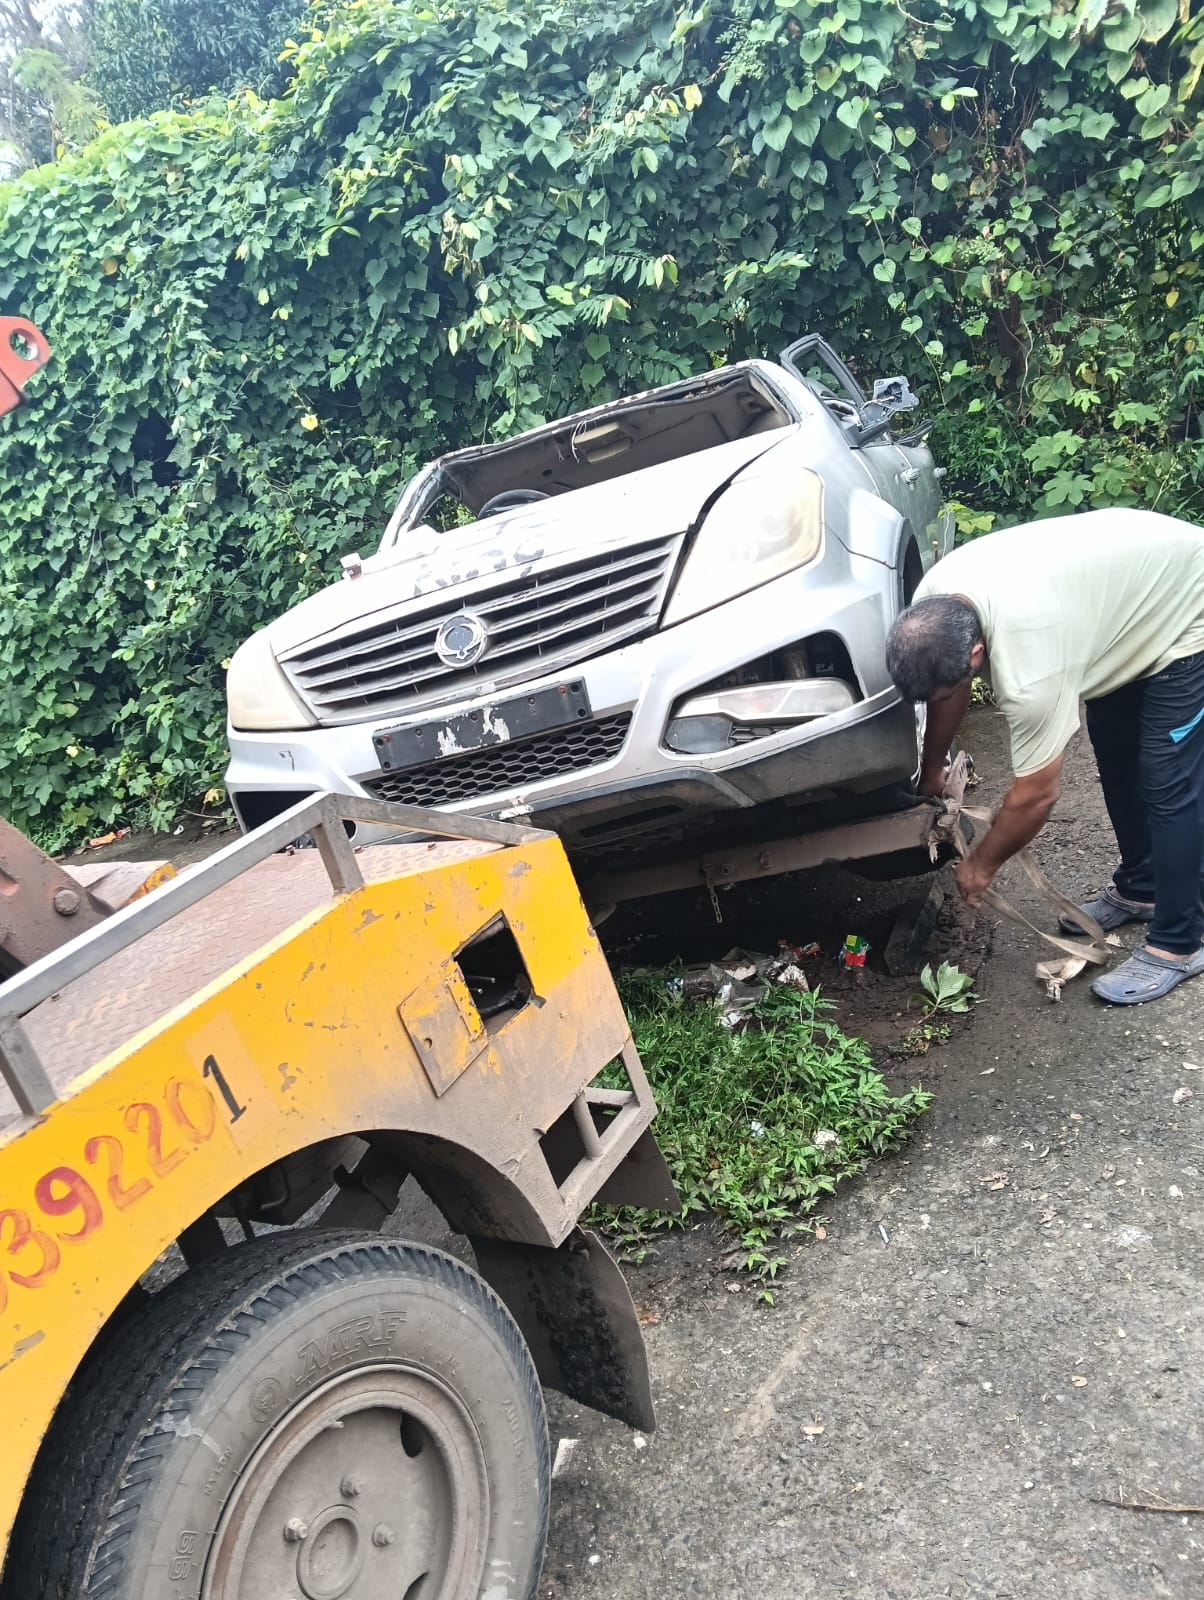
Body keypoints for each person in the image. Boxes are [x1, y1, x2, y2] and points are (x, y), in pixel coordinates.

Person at [885, 508, 1204, 1006]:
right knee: (1117, 756)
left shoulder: (1030, 668)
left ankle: (1180, 943)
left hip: (1185, 602)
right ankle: (1143, 885)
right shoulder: (934, 606)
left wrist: (982, 867)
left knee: (1168, 778)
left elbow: (1036, 794)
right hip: (1117, 607)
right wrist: (931, 768)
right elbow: (945, 692)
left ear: (975, 655)